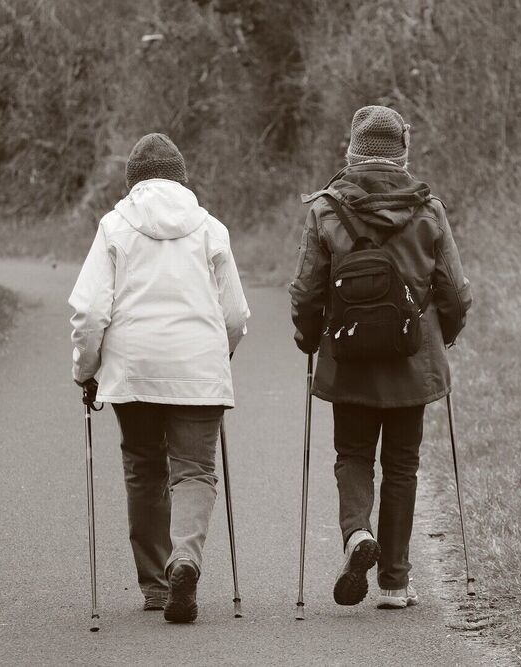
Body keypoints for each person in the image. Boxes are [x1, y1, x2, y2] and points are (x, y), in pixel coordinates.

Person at [289, 105, 472, 610]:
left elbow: (306, 292)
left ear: (352, 150)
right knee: (402, 466)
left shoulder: (326, 209)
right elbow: (455, 292)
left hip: (348, 359)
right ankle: (394, 581)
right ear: (402, 155)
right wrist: (446, 336)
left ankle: (355, 535)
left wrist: (309, 339)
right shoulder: (428, 210)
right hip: (411, 362)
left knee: (352, 455)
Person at [69, 133, 249, 623]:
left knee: (145, 468)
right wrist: (221, 355)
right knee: (193, 469)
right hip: (198, 367)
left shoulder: (114, 227)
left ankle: (154, 585)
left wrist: (85, 371)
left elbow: (88, 311)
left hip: (133, 368)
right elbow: (234, 314)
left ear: (133, 182)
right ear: (181, 180)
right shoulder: (211, 228)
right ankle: (185, 558)